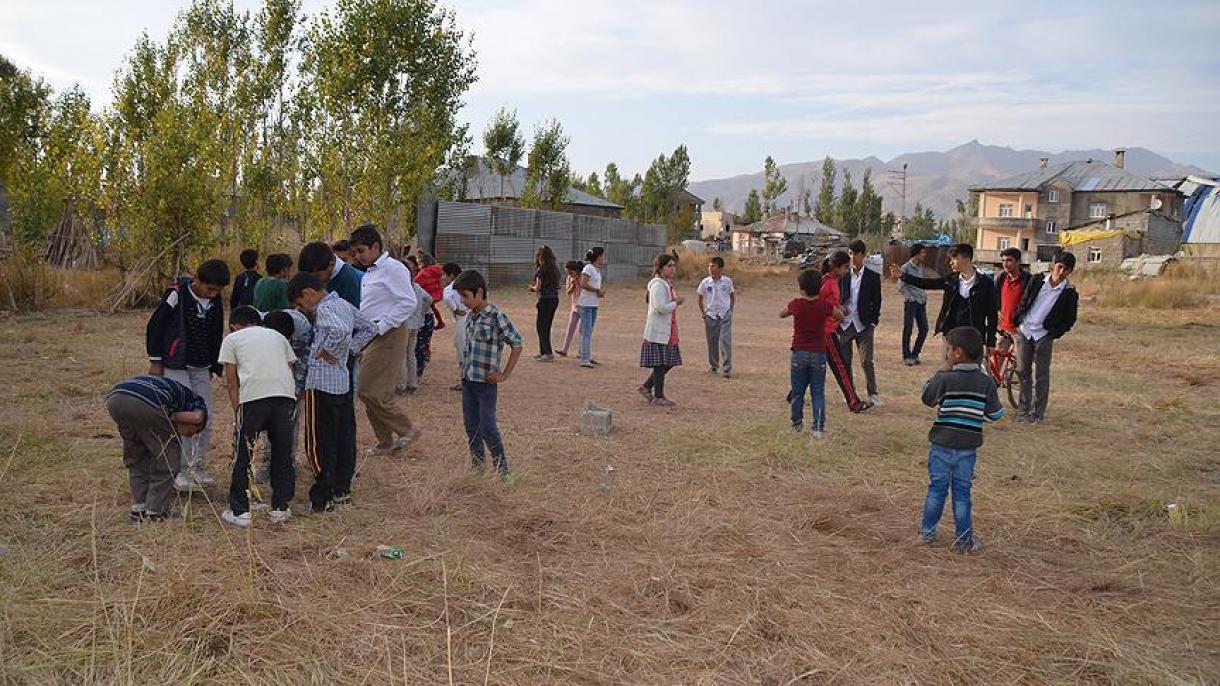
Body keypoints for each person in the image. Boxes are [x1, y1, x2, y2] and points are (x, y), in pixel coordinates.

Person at [288, 273, 377, 511]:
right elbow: (370, 328)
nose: (302, 310)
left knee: (318, 442)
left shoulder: (324, 310)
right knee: (343, 438)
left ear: (309, 293)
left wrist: (329, 351)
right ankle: (341, 490)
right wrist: (349, 351)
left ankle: (322, 497)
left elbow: (338, 331)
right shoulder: (343, 304)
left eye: (300, 304)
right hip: (342, 383)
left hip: (320, 385)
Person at [145, 258, 230, 491]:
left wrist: (214, 365)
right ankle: (180, 471)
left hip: (201, 366)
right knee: (184, 416)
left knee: (206, 416)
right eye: (209, 288)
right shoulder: (176, 295)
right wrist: (156, 361)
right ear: (196, 280)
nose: (212, 294)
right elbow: (155, 326)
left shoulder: (215, 302)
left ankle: (198, 467)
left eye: (217, 291)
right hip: (176, 364)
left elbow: (216, 332)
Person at [918, 326, 1004, 553]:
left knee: (937, 489)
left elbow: (927, 398)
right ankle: (963, 541)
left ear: (957, 353)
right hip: (967, 448)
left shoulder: (945, 378)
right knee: (962, 493)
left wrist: (939, 372)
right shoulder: (986, 383)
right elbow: (996, 414)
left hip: (941, 445)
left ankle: (927, 533)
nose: (946, 354)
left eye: (948, 349)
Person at [217, 306, 298, 527]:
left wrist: (237, 412)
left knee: (244, 453)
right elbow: (289, 367)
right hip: (284, 396)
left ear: (234, 324)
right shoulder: (277, 336)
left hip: (253, 398)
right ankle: (281, 507)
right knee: (282, 452)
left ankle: (240, 511)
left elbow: (232, 381)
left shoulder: (232, 339)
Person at [350, 223, 422, 454]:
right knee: (371, 390)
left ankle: (407, 429)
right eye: (356, 252)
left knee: (367, 389)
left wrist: (382, 326)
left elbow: (408, 302)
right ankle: (385, 441)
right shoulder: (370, 272)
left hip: (389, 334)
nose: (358, 256)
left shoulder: (393, 268)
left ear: (375, 246)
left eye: (361, 251)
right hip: (372, 335)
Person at [105, 375, 208, 522]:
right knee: (167, 457)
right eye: (192, 433)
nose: (189, 436)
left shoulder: (175, 392)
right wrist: (168, 418)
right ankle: (156, 511)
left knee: (137, 455)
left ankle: (139, 507)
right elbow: (197, 417)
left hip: (115, 398)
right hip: (145, 401)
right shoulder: (195, 402)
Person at [453, 269, 524, 478]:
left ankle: (502, 470)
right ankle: (477, 466)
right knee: (471, 426)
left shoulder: (496, 316)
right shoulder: (470, 316)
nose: (463, 301)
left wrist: (504, 374)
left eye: (465, 296)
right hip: (468, 381)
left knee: (488, 427)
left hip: (485, 384)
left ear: (479, 292)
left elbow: (517, 344)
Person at [891, 243, 998, 365]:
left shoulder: (985, 284)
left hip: (973, 336)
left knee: (973, 371)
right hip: (951, 334)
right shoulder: (951, 279)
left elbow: (992, 315)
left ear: (966, 259)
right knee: (948, 368)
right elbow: (926, 283)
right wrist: (903, 276)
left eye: (954, 258)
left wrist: (990, 342)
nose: (950, 262)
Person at [1012, 251, 1078, 423]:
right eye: (1059, 267)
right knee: (1022, 372)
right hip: (1025, 330)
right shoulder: (1036, 281)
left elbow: (1069, 319)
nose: (1061, 272)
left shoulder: (1069, 293)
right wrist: (1018, 318)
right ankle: (1023, 410)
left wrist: (1053, 333)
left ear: (1070, 271)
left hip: (1043, 335)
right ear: (1053, 265)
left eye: (1066, 269)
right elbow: (1024, 300)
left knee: (1041, 375)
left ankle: (1038, 413)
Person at [781, 267, 834, 437]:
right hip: (818, 352)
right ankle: (818, 427)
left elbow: (782, 314)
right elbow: (839, 314)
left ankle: (797, 424)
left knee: (798, 391)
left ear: (801, 288)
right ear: (819, 287)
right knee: (818, 392)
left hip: (799, 352)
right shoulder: (824, 306)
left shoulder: (796, 304)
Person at [819, 251, 871, 413]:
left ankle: (795, 393)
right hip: (826, 331)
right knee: (840, 366)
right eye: (845, 268)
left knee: (815, 364)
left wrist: (840, 309)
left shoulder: (834, 281)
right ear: (836, 267)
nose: (847, 271)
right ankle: (853, 402)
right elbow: (817, 304)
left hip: (830, 328)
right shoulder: (826, 283)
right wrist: (836, 311)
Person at [838, 240, 882, 404]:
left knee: (866, 361)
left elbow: (877, 301)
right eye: (850, 253)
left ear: (863, 255)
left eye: (856, 254)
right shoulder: (842, 276)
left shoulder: (872, 277)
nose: (853, 257)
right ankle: (849, 393)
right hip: (845, 324)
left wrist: (873, 322)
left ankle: (873, 393)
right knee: (845, 362)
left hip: (863, 324)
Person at [638, 253, 684, 407]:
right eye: (669, 266)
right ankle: (658, 395)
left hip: (667, 328)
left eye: (673, 266)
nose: (673, 269)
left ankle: (647, 387)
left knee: (667, 362)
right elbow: (661, 307)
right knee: (661, 363)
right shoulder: (657, 284)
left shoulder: (665, 283)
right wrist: (675, 303)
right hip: (659, 330)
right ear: (660, 267)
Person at [697, 255, 735, 378]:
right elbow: (700, 297)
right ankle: (714, 366)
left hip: (724, 314)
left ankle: (727, 368)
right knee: (712, 342)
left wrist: (730, 310)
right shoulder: (705, 282)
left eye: (713, 266)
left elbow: (732, 295)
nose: (711, 269)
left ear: (720, 268)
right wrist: (703, 313)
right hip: (711, 315)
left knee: (725, 341)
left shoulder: (727, 281)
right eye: (709, 266)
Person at [398, 271, 434, 395]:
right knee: (411, 354)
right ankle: (412, 383)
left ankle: (401, 384)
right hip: (416, 324)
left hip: (405, 324)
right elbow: (429, 299)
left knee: (401, 355)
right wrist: (421, 312)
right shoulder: (418, 288)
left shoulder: (403, 289)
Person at [298, 240, 363, 308]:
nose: (314, 281)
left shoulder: (348, 279)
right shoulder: (325, 271)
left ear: (331, 265)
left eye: (318, 276)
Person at [994, 247, 1030, 353]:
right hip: (1003, 329)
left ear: (1018, 261)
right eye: (1003, 261)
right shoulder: (1001, 278)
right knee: (995, 365)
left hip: (1021, 330)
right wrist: (996, 310)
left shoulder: (1028, 280)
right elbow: (995, 298)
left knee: (1020, 365)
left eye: (1009, 260)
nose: (1005, 264)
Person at [899, 244, 930, 366]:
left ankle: (915, 354)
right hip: (911, 303)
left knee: (924, 328)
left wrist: (923, 296)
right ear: (916, 254)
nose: (924, 255)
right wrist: (911, 298)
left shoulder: (920, 267)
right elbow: (901, 287)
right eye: (922, 252)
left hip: (921, 302)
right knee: (908, 329)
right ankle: (907, 356)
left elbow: (921, 283)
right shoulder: (905, 268)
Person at [530, 245, 562, 362]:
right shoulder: (554, 269)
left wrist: (532, 288)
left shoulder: (541, 270)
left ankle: (547, 353)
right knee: (546, 326)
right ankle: (543, 351)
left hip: (545, 299)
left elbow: (538, 287)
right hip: (554, 299)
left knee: (541, 327)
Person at [578, 247, 606, 368]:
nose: (603, 258)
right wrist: (597, 290)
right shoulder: (588, 268)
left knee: (588, 331)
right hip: (585, 304)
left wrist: (599, 293)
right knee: (586, 332)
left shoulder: (596, 270)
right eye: (602, 256)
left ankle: (586, 355)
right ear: (598, 256)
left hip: (593, 303)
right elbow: (583, 284)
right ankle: (584, 358)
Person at [441, 262, 467, 392]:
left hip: (462, 319)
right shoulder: (468, 283)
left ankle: (465, 381)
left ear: (451, 275)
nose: (442, 277)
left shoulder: (450, 288)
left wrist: (456, 309)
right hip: (472, 317)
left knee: (462, 351)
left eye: (444, 275)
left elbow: (447, 299)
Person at [556, 260, 583, 358]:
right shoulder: (569, 278)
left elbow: (583, 289)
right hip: (575, 306)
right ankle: (564, 350)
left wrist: (577, 281)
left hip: (584, 306)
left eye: (570, 272)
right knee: (570, 328)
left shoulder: (582, 277)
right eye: (568, 273)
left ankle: (581, 351)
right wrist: (573, 284)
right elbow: (568, 292)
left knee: (582, 330)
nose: (569, 274)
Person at [414, 253, 447, 331]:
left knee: (430, 308)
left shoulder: (423, 273)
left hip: (427, 294)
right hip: (437, 293)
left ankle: (440, 322)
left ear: (423, 263)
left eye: (419, 263)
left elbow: (416, 283)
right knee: (433, 308)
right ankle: (440, 321)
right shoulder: (438, 270)